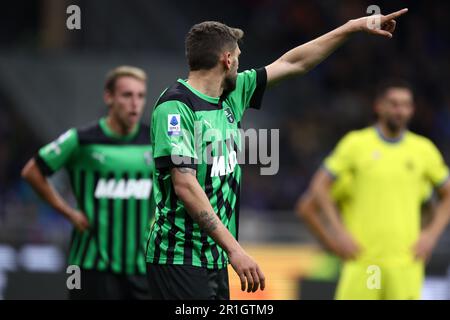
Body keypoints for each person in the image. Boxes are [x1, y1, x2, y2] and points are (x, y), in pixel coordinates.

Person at [146, 9, 409, 300]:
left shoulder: (231, 93)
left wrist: (350, 27)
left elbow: (293, 62)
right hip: (178, 256)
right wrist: (235, 249)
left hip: (215, 258)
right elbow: (185, 184)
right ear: (227, 59)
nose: (239, 65)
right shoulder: (175, 107)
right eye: (238, 58)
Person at [298, 80, 450, 299]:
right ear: (379, 106)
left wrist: (431, 236)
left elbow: (444, 197)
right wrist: (337, 236)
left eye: (406, 105)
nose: (400, 110)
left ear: (412, 110)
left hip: (405, 264)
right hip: (365, 263)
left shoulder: (423, 150)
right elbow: (314, 194)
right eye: (394, 104)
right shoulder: (356, 145)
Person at [21, 66, 155, 300]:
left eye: (140, 96)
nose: (135, 103)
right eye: (127, 95)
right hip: (92, 267)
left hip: (141, 267)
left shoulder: (155, 141)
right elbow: (32, 171)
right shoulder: (81, 140)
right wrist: (68, 212)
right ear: (109, 97)